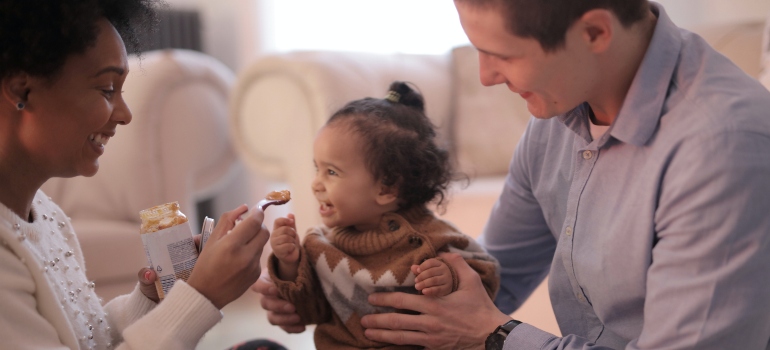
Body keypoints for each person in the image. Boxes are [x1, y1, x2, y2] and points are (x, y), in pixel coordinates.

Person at [255, 0, 770, 349]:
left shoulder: (721, 149)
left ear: (594, 32)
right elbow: (485, 280)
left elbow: (484, 320)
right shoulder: (559, 117)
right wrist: (320, 290)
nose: (484, 76)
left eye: (501, 54)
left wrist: (499, 335)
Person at [0, 1, 274, 349]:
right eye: (106, 90)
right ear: (22, 90)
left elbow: (85, 338)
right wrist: (202, 296)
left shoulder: (45, 214)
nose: (125, 114)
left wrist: (154, 297)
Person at [266, 81, 500, 349]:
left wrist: (450, 278)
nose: (316, 184)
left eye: (331, 172)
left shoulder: (434, 239)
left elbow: (485, 282)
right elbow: (308, 313)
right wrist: (289, 264)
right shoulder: (319, 246)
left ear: (387, 187)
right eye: (316, 168)